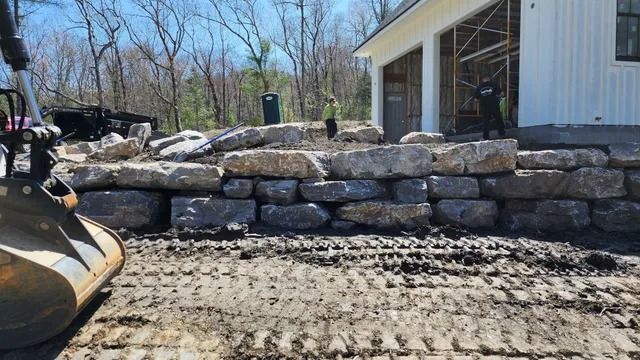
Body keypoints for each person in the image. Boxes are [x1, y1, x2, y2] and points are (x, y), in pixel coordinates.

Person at [475, 75, 506, 140]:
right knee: (498, 119)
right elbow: (502, 94)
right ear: (489, 79)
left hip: (484, 107)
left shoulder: (479, 87)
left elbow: (476, 100)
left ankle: (485, 137)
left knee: (486, 122)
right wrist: (497, 97)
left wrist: (482, 98)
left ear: (483, 79)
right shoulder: (494, 85)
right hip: (494, 105)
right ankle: (502, 134)